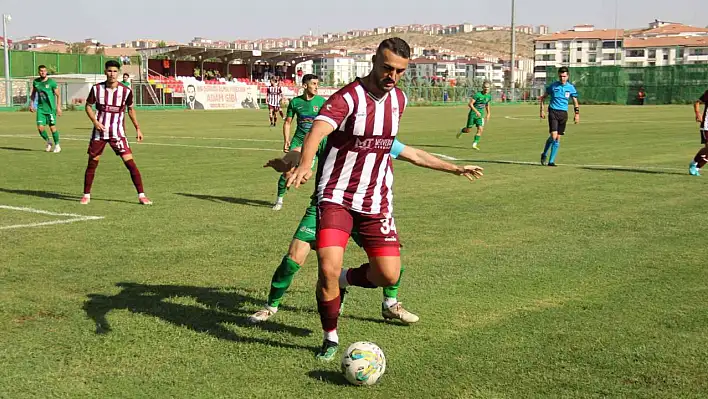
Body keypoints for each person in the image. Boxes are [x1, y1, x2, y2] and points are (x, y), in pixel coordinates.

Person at [286, 37, 484, 361]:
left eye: (400, 71)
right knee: (326, 268)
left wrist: (454, 169)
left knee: (388, 275)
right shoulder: (346, 98)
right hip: (336, 196)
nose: (392, 76)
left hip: (376, 202)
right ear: (374, 61)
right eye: (387, 68)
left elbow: (406, 150)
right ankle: (330, 338)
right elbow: (317, 131)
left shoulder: (399, 101)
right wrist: (305, 164)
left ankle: (348, 280)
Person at [249, 139, 418, 325]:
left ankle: (390, 304)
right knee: (293, 258)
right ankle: (271, 307)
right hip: (328, 207)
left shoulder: (376, 134)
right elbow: (301, 151)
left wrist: (451, 168)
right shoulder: (329, 134)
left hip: (365, 209)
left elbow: (413, 154)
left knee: (392, 257)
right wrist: (288, 162)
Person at [81, 60, 152, 205]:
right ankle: (86, 195)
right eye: (109, 71)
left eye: (114, 71)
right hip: (99, 134)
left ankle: (142, 195)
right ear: (105, 72)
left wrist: (137, 128)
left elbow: (131, 110)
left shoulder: (126, 91)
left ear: (118, 73)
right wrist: (95, 122)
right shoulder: (96, 89)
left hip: (117, 134)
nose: (112, 74)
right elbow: (88, 106)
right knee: (92, 164)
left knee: (130, 164)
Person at [272, 74, 326, 211]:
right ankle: (279, 200)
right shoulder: (295, 102)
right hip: (298, 141)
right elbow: (288, 123)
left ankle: (319, 200)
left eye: (317, 84)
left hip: (317, 142)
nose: (316, 87)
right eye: (313, 84)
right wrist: (286, 140)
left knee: (306, 177)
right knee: (286, 171)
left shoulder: (321, 102)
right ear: (305, 85)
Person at [539, 67, 579, 167]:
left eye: (564, 76)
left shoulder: (570, 88)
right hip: (553, 111)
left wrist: (577, 114)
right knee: (553, 136)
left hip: (563, 114)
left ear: (568, 76)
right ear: (558, 76)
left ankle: (551, 161)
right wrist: (542, 110)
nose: (562, 78)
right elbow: (543, 98)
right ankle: (544, 154)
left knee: (557, 138)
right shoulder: (553, 86)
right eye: (561, 76)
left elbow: (575, 101)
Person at [29, 65, 62, 153]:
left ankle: (57, 145)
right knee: (40, 128)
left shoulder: (51, 82)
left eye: (44, 71)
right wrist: (31, 104)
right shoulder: (36, 82)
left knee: (52, 127)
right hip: (40, 109)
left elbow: (58, 95)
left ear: (46, 72)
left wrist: (58, 107)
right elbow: (33, 93)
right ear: (38, 72)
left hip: (50, 109)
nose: (42, 72)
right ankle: (48, 142)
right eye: (41, 71)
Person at [456, 82, 492, 150]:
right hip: (473, 114)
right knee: (468, 130)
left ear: (489, 88)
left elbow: (487, 105)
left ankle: (474, 144)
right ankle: (461, 130)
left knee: (480, 129)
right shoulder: (477, 95)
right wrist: (476, 111)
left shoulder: (489, 96)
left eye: (487, 88)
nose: (486, 89)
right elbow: (470, 104)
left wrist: (488, 114)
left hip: (480, 116)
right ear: (482, 87)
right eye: (485, 87)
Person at [689, 89, 708, 176]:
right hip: (707, 126)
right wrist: (697, 113)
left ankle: (696, 167)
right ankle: (694, 164)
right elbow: (697, 102)